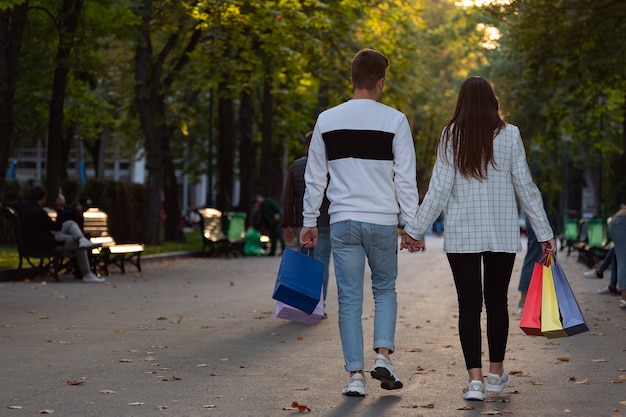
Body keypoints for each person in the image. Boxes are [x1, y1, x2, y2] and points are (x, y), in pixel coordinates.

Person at [400, 76, 556, 401]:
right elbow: (525, 187)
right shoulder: (510, 135)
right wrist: (544, 233)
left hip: (462, 236)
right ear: (492, 102)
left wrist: (414, 230)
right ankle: (496, 374)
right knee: (497, 302)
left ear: (462, 103)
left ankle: (474, 382)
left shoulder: (450, 135)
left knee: (469, 306)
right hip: (501, 234)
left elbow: (439, 189)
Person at [299, 48, 419, 397]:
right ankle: (383, 355)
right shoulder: (395, 120)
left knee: (349, 299)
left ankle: (355, 375)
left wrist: (309, 220)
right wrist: (411, 226)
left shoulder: (327, 120)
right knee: (384, 290)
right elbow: (405, 179)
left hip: (343, 221)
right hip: (382, 221)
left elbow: (314, 177)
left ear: (352, 80)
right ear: (381, 82)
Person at [283, 131, 332, 308]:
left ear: (306, 146)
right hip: (326, 222)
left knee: (303, 263)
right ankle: (319, 305)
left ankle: (303, 303)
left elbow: (289, 197)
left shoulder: (296, 166)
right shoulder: (331, 167)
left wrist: (287, 224)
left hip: (301, 223)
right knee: (322, 263)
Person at [15, 186, 104, 283]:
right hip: (44, 243)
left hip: (38, 239)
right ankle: (87, 274)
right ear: (43, 198)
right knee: (77, 244)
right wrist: (60, 208)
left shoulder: (23, 206)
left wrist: (7, 216)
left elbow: (11, 204)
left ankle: (81, 239)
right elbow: (56, 227)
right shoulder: (39, 212)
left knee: (70, 224)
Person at [607, 204, 626, 308]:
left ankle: (612, 284)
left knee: (618, 254)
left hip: (616, 221)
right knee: (623, 258)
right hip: (620, 222)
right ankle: (624, 297)